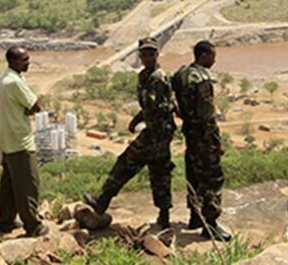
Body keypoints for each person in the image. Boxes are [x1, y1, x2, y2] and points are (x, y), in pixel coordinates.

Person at [85, 37, 176, 228]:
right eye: (144, 54)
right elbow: (149, 106)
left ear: (157, 55)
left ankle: (102, 201)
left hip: (157, 133)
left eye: (151, 54)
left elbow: (160, 107)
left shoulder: (157, 77)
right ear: (140, 56)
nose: (148, 57)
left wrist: (144, 120)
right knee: (160, 172)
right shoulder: (145, 76)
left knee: (125, 163)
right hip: (159, 132)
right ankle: (164, 216)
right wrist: (137, 119)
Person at [172, 40, 231, 242]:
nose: (214, 60)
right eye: (213, 56)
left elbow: (171, 96)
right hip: (204, 138)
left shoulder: (181, 74)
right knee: (212, 179)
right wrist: (217, 142)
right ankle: (211, 226)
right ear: (204, 56)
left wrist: (181, 112)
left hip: (189, 134)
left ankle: (195, 217)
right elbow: (207, 116)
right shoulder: (202, 79)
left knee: (193, 175)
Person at [0, 46, 48, 237]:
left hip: (7, 140)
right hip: (21, 141)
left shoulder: (3, 79)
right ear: (13, 62)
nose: (28, 62)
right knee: (28, 184)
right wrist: (29, 110)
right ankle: (33, 226)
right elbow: (35, 105)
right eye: (24, 60)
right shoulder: (15, 82)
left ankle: (5, 222)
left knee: (9, 184)